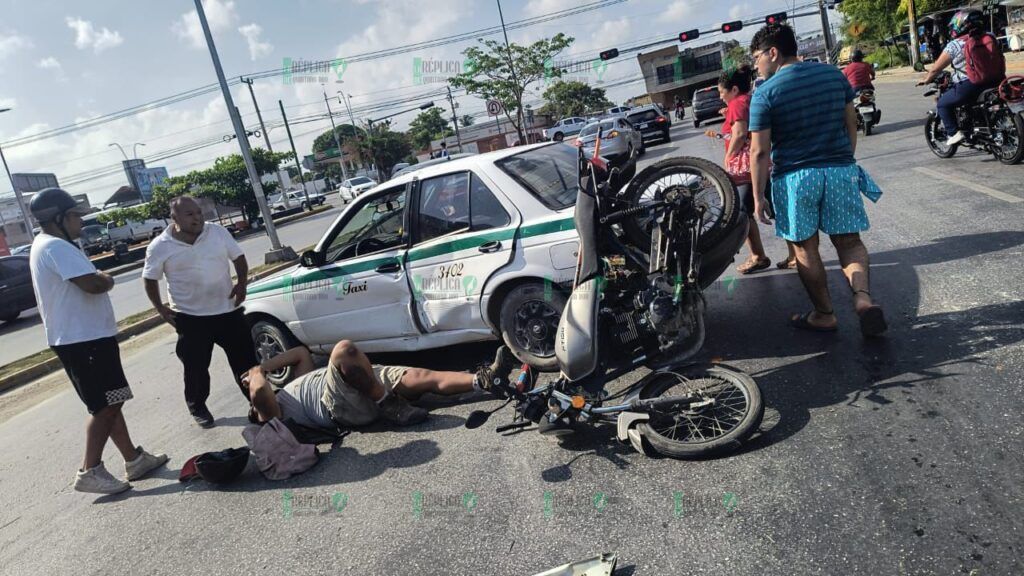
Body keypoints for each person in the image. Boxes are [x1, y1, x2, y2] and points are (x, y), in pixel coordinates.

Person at [747, 23, 888, 337]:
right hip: (839, 170)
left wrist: (758, 196)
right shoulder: (833, 75)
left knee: (804, 250)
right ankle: (863, 300)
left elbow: (759, 152)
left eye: (758, 57)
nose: (756, 64)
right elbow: (850, 121)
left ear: (773, 52)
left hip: (795, 180)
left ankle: (825, 314)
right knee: (849, 243)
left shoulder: (765, 93)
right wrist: (844, 159)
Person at [28, 188, 168, 494]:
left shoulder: (50, 244)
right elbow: (92, 284)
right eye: (76, 215)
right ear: (59, 218)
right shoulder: (56, 247)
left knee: (112, 400)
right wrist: (106, 278)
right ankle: (89, 470)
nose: (80, 221)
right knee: (103, 406)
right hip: (83, 340)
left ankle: (133, 459)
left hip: (86, 337)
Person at [142, 196, 259, 428]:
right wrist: (161, 309)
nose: (197, 218)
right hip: (191, 318)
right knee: (196, 368)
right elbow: (149, 278)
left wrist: (242, 283)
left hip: (227, 311)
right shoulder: (160, 246)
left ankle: (257, 401)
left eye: (198, 212)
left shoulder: (216, 232)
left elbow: (239, 257)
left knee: (245, 361)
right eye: (190, 214)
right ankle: (198, 407)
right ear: (174, 218)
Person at [243, 342, 518, 429]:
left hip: (357, 384)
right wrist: (256, 374)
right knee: (343, 350)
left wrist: (264, 368)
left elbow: (301, 354)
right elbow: (258, 393)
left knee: (421, 377)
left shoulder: (290, 388)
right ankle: (389, 404)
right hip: (338, 405)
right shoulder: (269, 416)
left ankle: (485, 381)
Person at [703, 65, 771, 274]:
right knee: (760, 209)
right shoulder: (748, 100)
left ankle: (758, 256)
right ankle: (784, 255)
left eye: (722, 92)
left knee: (742, 213)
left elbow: (740, 134)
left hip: (745, 170)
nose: (721, 97)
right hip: (760, 164)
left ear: (733, 89)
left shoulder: (738, 104)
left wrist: (728, 156)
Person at [920, 9, 1006, 146]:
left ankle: (953, 133)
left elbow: (936, 68)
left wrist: (926, 79)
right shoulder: (990, 36)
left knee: (942, 103)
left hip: (971, 85)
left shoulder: (955, 45)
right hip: (997, 79)